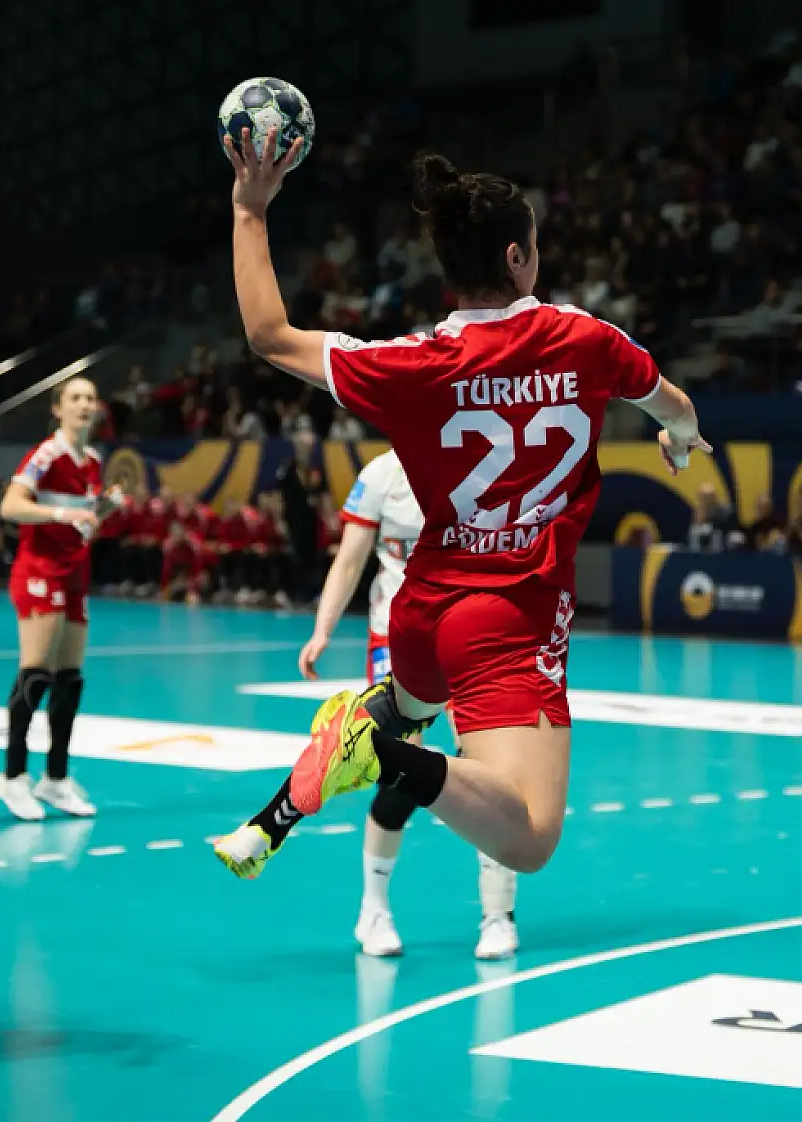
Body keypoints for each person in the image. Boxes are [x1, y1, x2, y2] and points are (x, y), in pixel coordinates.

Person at [211, 136, 708, 880]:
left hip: (427, 605)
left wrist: (250, 209)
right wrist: (681, 437)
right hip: (511, 615)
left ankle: (271, 821)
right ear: (518, 257)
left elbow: (268, 336)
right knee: (530, 837)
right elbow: (675, 406)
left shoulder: (412, 364)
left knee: (405, 705)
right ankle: (376, 753)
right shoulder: (587, 340)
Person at [299, 448, 519, 959]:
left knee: (488, 776)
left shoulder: (482, 465)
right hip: (397, 643)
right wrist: (322, 629)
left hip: (473, 638)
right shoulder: (381, 474)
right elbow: (350, 558)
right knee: (402, 774)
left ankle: (498, 916)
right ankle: (373, 911)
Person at [0, 376, 122, 821]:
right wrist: (61, 513)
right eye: (76, 398)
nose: (85, 404)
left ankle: (56, 778)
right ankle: (11, 777)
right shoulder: (46, 454)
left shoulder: (92, 460)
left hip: (75, 574)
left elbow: (85, 521)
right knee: (36, 672)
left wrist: (104, 507)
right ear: (58, 408)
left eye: (90, 397)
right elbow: (11, 507)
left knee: (70, 677)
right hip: (39, 572)